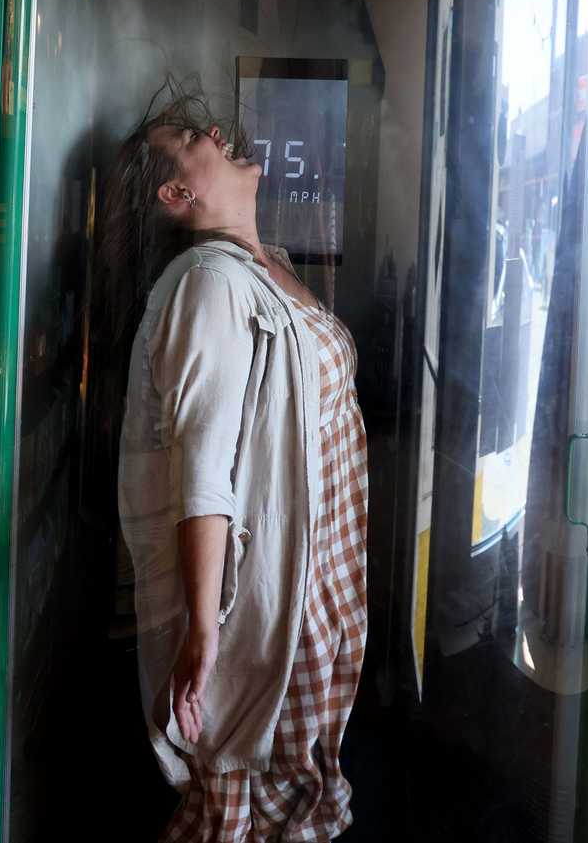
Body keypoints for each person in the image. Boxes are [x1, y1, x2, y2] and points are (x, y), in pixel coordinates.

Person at [106, 89, 369, 841]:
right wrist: (203, 631)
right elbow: (204, 462)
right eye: (196, 137)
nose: (219, 133)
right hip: (267, 613)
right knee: (246, 816)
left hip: (319, 595)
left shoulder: (265, 266)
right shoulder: (208, 284)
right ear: (177, 192)